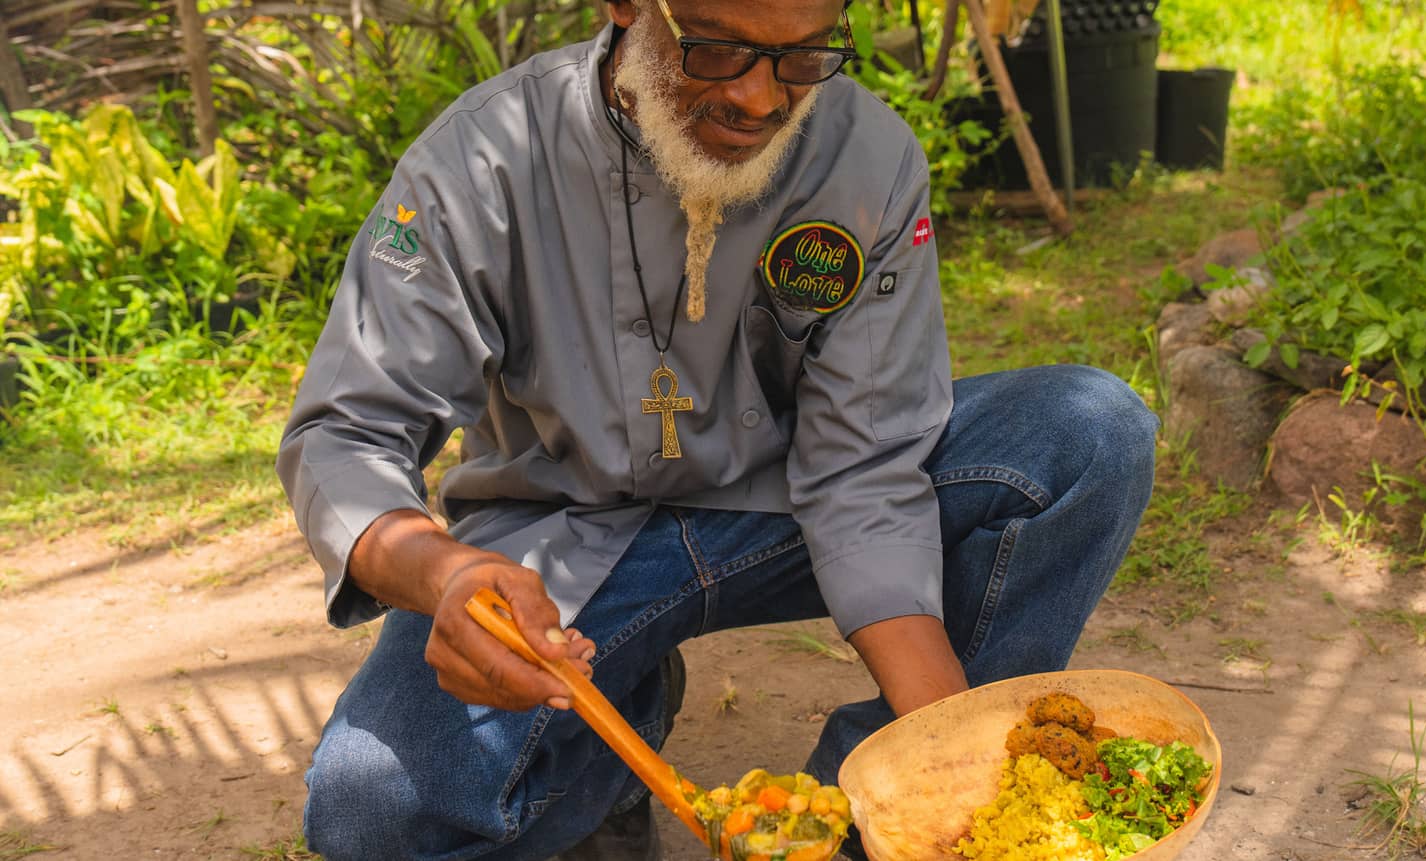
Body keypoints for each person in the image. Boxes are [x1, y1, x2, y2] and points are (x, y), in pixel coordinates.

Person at [276, 0, 1158, 857]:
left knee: (1089, 431)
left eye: (806, 55)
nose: (762, 99)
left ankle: (849, 820)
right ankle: (610, 752)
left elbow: (865, 464)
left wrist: (940, 748)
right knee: (371, 810)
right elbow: (346, 431)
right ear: (627, 6)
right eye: (716, 49)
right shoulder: (482, 161)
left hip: (786, 512)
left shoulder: (868, 158)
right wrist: (447, 572)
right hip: (559, 539)